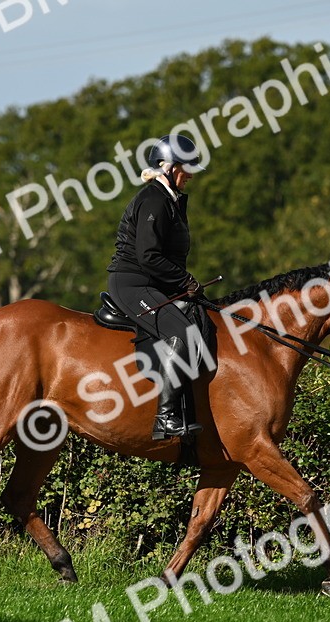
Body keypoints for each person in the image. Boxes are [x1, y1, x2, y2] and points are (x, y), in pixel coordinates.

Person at [107, 133, 209, 441]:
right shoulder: (154, 200)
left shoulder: (171, 200)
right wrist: (185, 280)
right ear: (169, 167)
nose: (190, 174)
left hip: (154, 282)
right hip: (132, 283)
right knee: (181, 333)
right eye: (186, 168)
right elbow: (148, 256)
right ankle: (165, 418)